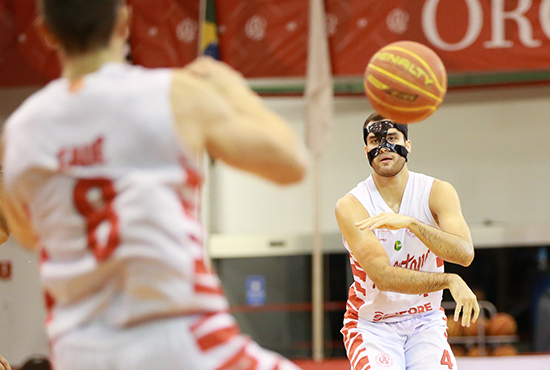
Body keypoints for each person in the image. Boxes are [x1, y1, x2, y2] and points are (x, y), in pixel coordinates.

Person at [0, 1, 308, 369]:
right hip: (179, 337)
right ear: (124, 22)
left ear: (45, 33)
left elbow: (29, 236)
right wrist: (232, 87)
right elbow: (291, 164)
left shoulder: (20, 132)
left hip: (78, 351)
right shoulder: (173, 94)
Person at [335, 113, 480, 370]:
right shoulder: (352, 205)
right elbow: (384, 277)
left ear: (408, 145)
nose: (383, 147)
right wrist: (449, 280)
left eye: (392, 138)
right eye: (374, 140)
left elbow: (464, 254)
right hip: (373, 326)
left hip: (425, 321)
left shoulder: (437, 191)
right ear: (366, 150)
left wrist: (412, 223)